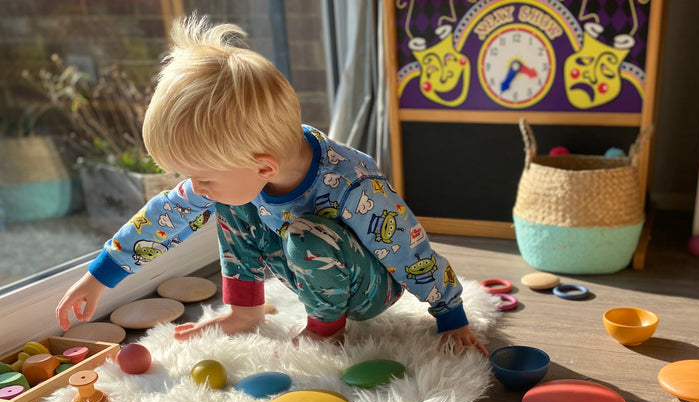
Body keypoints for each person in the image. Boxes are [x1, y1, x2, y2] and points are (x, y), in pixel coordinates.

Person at [56, 15, 488, 356]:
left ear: (263, 166)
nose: (194, 186)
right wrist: (99, 277)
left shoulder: (354, 189)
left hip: (367, 287)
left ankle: (326, 328)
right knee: (229, 203)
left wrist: (450, 313)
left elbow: (410, 250)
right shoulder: (246, 162)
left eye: (200, 176)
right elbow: (167, 214)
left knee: (302, 235)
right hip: (306, 262)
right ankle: (244, 312)